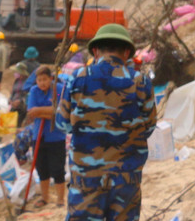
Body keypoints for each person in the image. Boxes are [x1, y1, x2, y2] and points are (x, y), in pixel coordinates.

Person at [57, 23, 156, 221]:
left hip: (86, 179)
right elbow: (149, 127)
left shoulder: (77, 79)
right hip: (126, 180)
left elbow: (63, 124)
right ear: (126, 52)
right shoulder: (141, 82)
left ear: (95, 51)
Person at [25, 65, 66, 209]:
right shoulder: (34, 91)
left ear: (51, 79)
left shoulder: (59, 89)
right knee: (42, 168)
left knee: (58, 169)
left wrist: (40, 111)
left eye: (45, 79)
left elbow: (61, 110)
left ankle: (60, 199)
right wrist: (49, 112)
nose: (42, 83)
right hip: (39, 135)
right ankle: (45, 198)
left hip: (56, 136)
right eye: (39, 80)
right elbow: (31, 112)